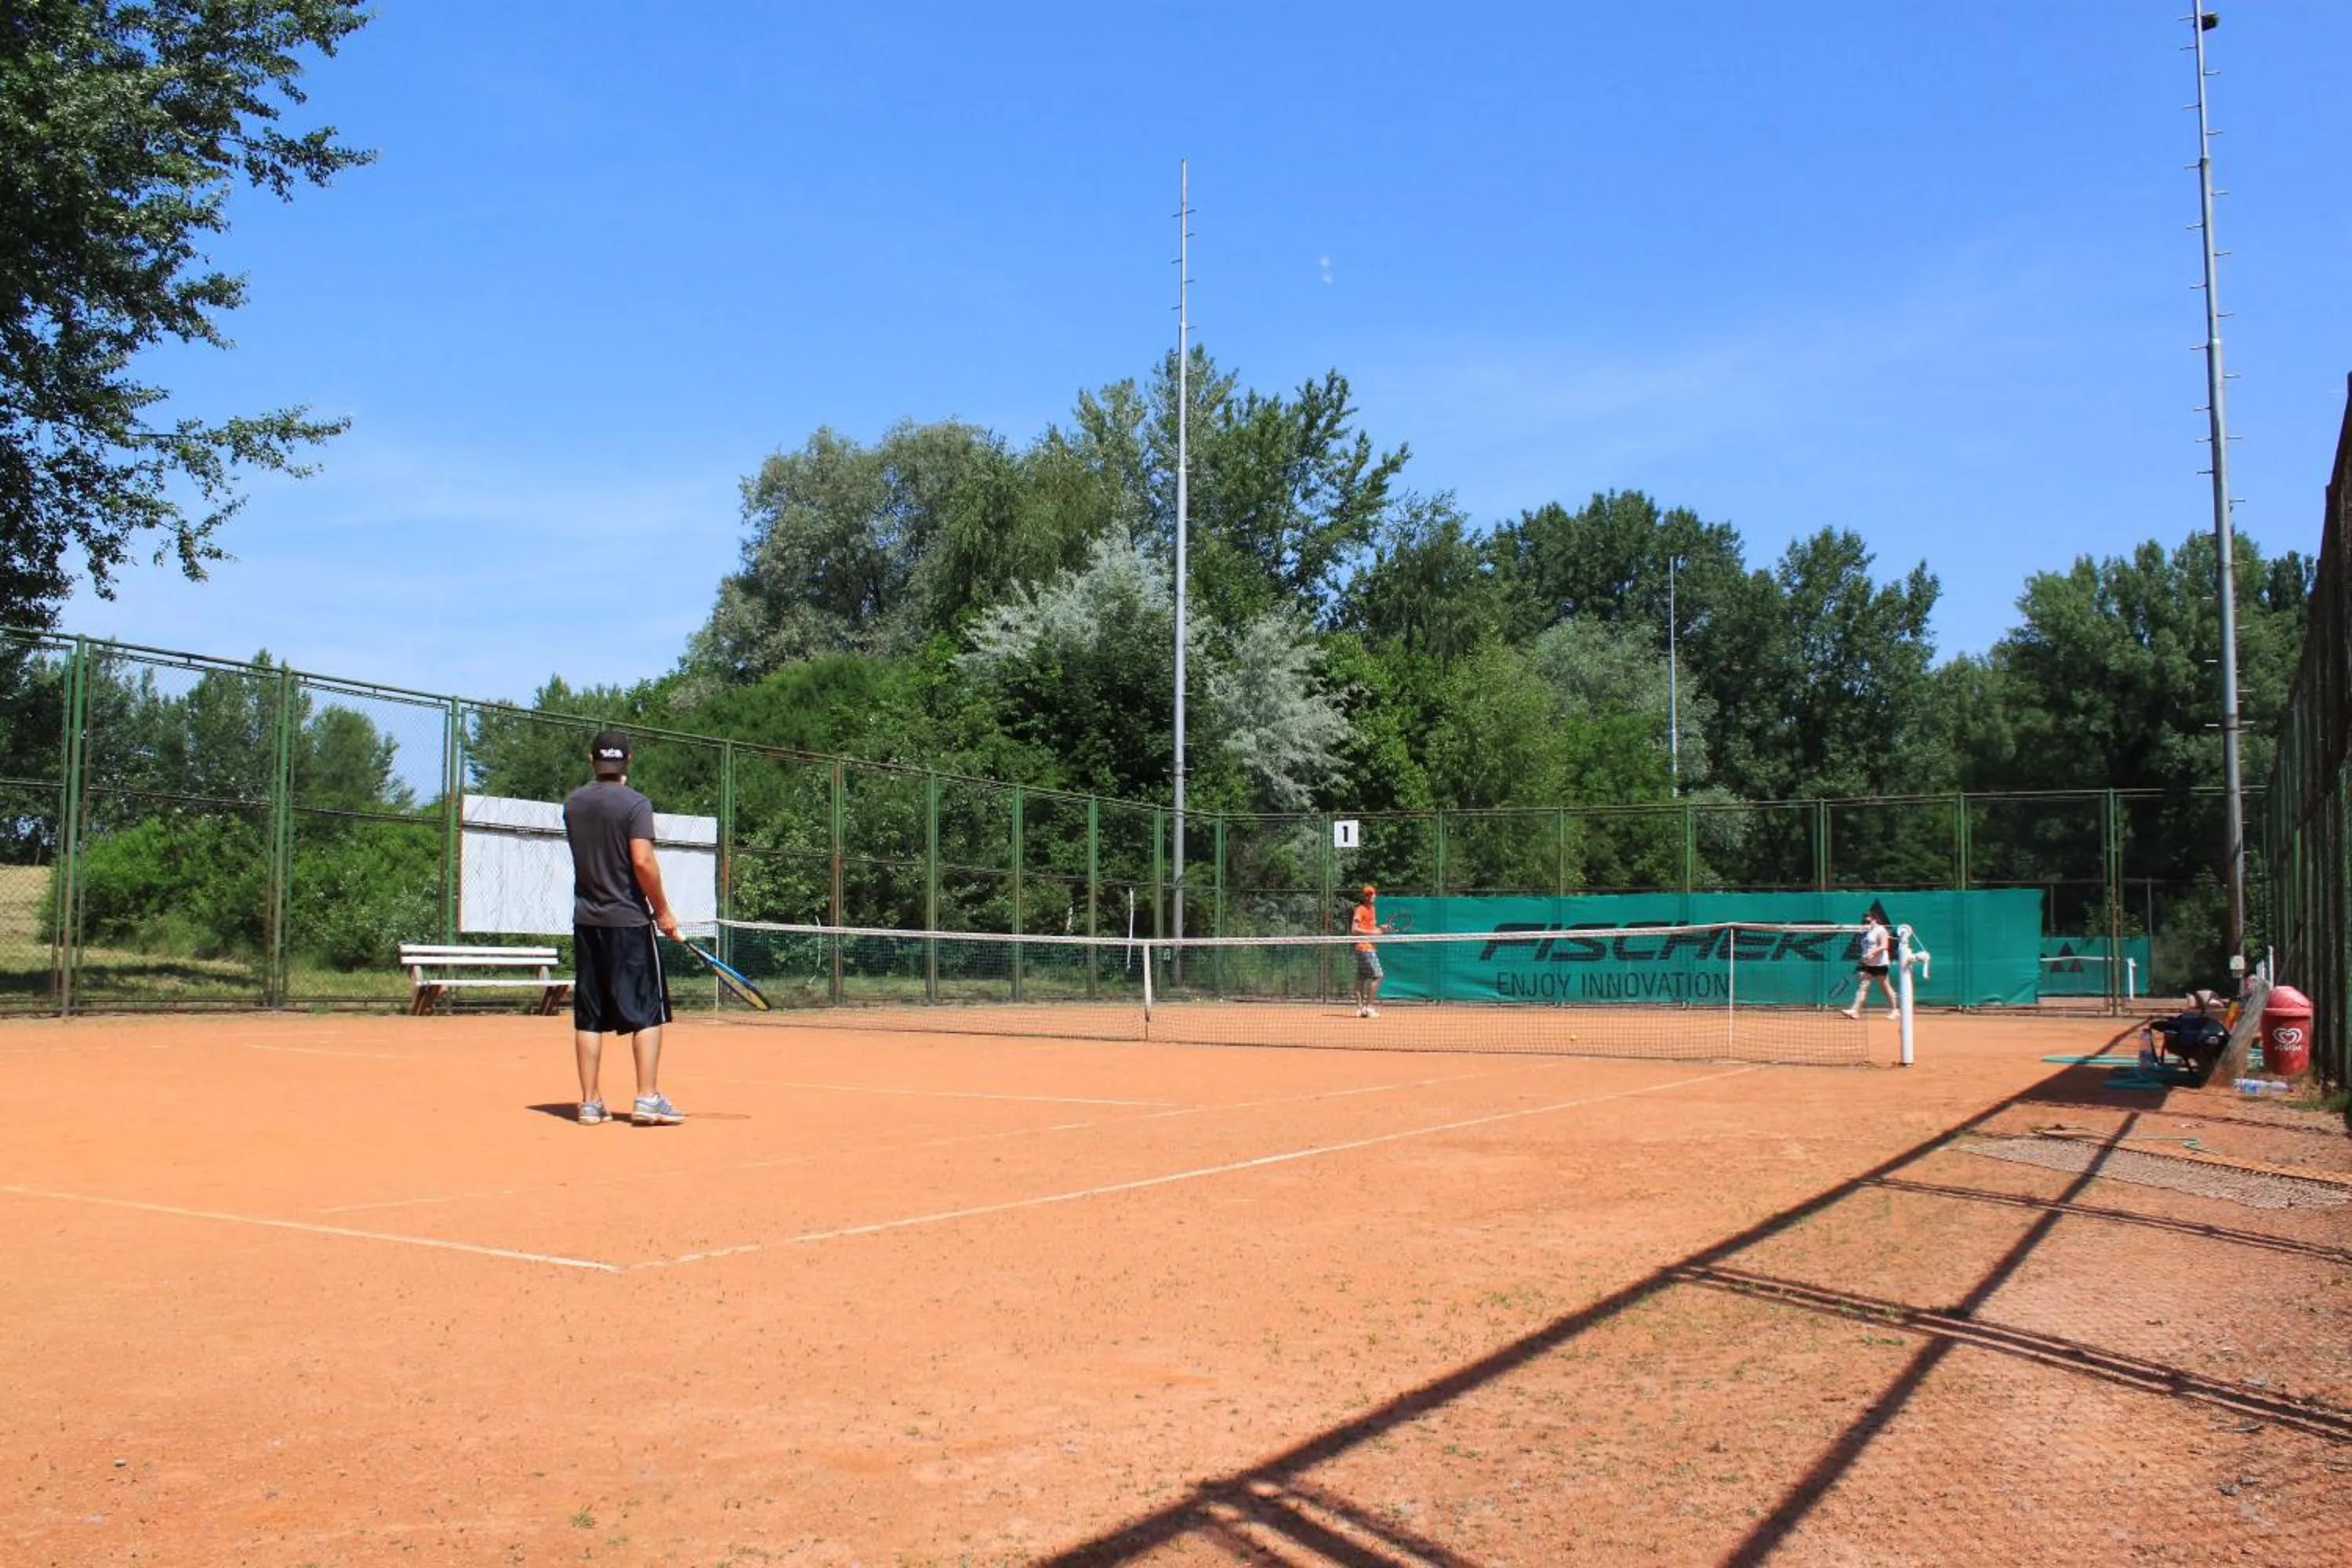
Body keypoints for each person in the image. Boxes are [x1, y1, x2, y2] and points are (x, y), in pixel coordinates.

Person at [562, 729, 684, 1126]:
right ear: (629, 761)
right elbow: (643, 862)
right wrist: (663, 911)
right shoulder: (636, 804)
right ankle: (647, 1098)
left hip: (587, 921)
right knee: (647, 1011)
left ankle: (589, 1103)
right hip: (629, 921)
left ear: (591, 759)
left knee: (590, 1015)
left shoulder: (573, 804)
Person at [1841, 909, 1899, 1022]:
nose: (1866, 923)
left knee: (1885, 987)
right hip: (1868, 965)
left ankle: (1895, 1010)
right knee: (1863, 986)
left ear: (1875, 920)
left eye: (1868, 921)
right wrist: (1863, 958)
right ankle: (1855, 1011)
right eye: (1865, 921)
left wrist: (1872, 954)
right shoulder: (1866, 932)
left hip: (1880, 964)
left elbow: (1884, 946)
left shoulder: (1881, 930)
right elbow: (1866, 949)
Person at [1351, 884, 1392, 1018]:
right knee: (1378, 976)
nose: (1370, 896)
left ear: (1375, 895)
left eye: (1372, 894)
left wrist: (1381, 929)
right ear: (1364, 897)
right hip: (1365, 949)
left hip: (1367, 947)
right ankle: (1369, 1008)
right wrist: (1372, 933)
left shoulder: (1373, 910)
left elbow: (1372, 930)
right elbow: (1354, 929)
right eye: (1367, 894)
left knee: (1361, 977)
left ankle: (1359, 1009)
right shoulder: (1360, 909)